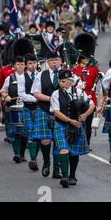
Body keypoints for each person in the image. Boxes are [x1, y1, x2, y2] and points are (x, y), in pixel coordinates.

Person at [51, 69, 94, 188]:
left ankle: (72, 175)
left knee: (74, 153)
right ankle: (64, 176)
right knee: (64, 150)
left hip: (76, 127)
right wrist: (71, 121)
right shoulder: (55, 94)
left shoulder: (79, 92)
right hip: (61, 125)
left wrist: (85, 115)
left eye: (64, 81)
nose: (61, 83)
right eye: (60, 81)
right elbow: (56, 112)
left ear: (70, 81)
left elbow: (92, 105)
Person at [31, 51, 62, 179]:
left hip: (62, 113)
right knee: (45, 140)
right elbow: (36, 93)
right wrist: (52, 99)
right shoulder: (41, 75)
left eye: (57, 60)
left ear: (61, 61)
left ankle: (56, 169)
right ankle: (46, 161)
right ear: (48, 62)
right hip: (44, 110)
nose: (54, 62)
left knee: (59, 142)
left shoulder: (67, 75)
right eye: (52, 60)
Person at [71, 34, 101, 149]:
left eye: (87, 61)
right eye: (84, 61)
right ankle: (76, 140)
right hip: (76, 98)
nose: (85, 62)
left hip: (90, 98)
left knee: (88, 122)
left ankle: (86, 143)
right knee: (76, 119)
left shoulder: (94, 68)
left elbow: (101, 79)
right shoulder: (74, 68)